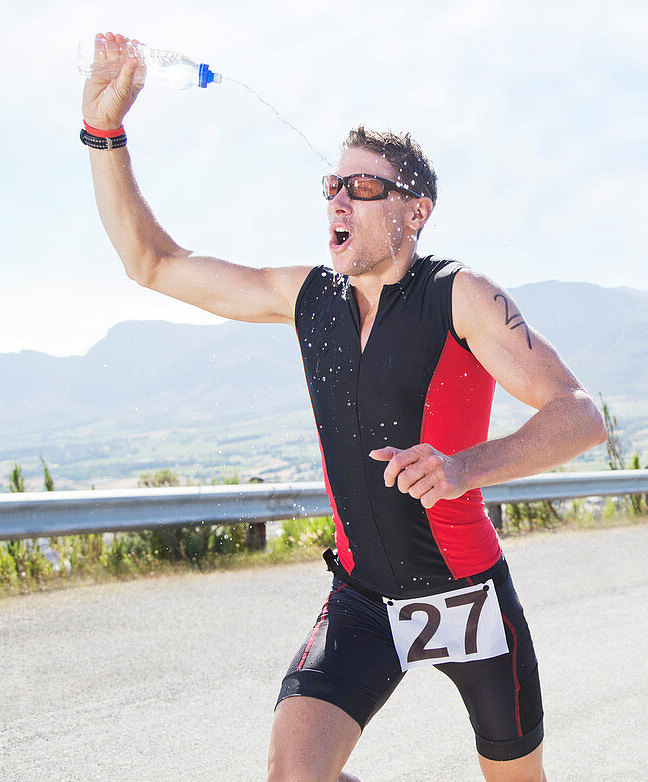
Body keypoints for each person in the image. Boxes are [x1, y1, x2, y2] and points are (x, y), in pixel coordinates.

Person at [82, 33, 606, 782]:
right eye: (333, 185)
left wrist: (463, 468)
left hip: (467, 595)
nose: (338, 197)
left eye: (363, 187)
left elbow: (579, 414)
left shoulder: (459, 295)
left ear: (414, 211)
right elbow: (152, 263)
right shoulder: (308, 299)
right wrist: (103, 133)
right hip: (363, 598)